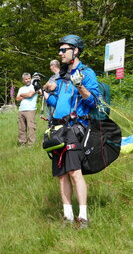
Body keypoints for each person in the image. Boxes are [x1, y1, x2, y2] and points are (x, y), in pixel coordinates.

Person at [42, 35, 100, 228]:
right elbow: (56, 102)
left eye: (63, 50)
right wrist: (44, 94)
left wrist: (80, 86)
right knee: (62, 175)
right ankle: (67, 217)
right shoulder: (62, 76)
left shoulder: (86, 73)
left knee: (75, 172)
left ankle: (83, 217)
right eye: (59, 50)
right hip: (57, 129)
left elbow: (93, 102)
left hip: (75, 128)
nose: (60, 53)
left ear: (75, 51)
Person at [16, 73, 38, 146]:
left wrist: (22, 94)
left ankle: (31, 144)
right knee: (21, 128)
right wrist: (26, 95)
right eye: (26, 79)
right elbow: (17, 99)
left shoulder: (34, 86)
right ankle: (22, 143)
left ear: (31, 78)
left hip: (30, 110)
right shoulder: (21, 88)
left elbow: (30, 95)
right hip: (21, 110)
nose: (27, 80)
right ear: (23, 80)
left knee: (31, 127)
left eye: (29, 78)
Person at [43, 60, 60, 125]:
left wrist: (48, 85)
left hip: (55, 101)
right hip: (49, 102)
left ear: (53, 66)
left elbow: (52, 87)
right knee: (50, 121)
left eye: (50, 66)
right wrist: (48, 85)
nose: (50, 67)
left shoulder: (60, 75)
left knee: (56, 121)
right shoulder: (52, 77)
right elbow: (44, 87)